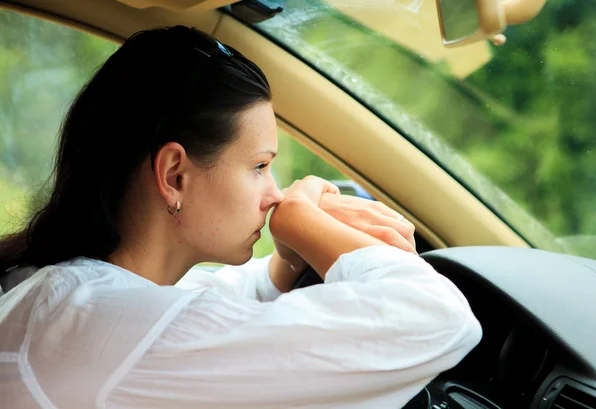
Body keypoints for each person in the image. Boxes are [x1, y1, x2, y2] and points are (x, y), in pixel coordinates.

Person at [0, 26, 482, 409]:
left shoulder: (72, 297)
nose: (272, 194)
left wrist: (283, 264)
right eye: (259, 167)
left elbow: (204, 303)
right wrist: (299, 220)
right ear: (174, 175)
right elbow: (438, 318)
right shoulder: (101, 331)